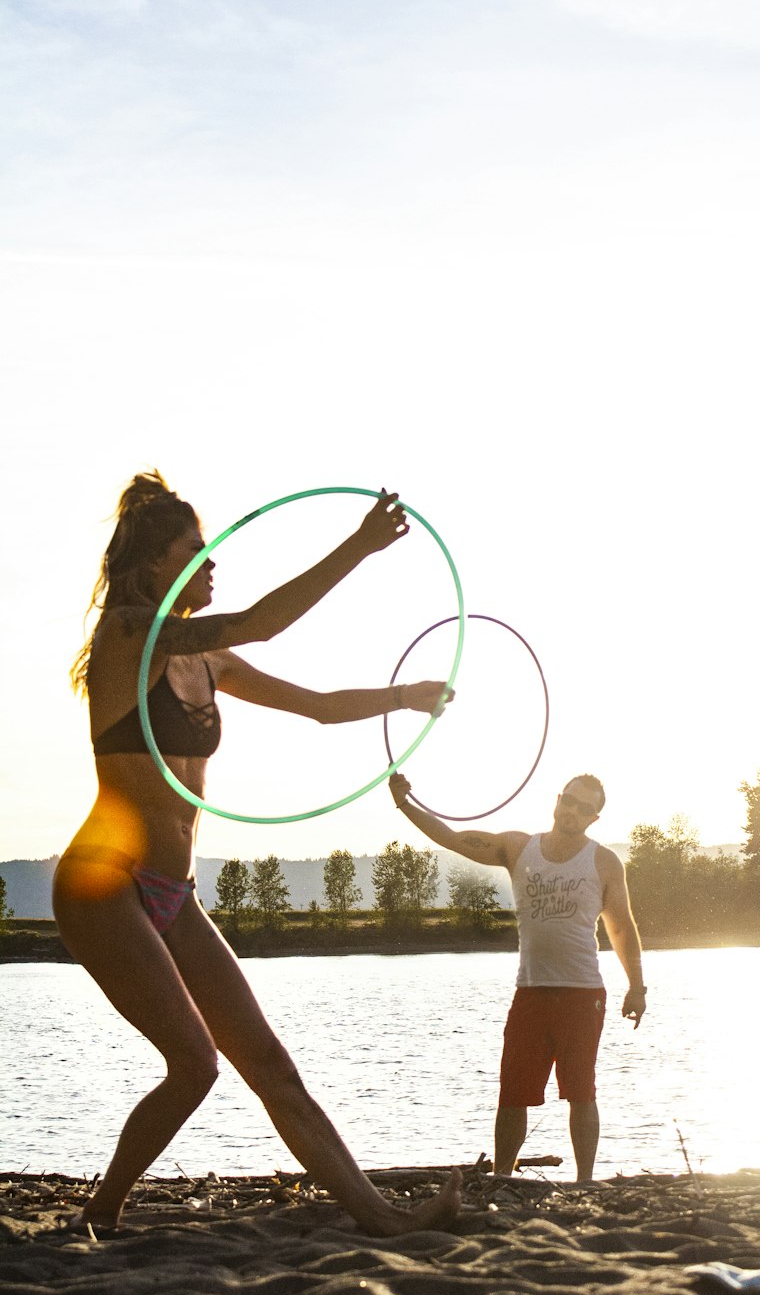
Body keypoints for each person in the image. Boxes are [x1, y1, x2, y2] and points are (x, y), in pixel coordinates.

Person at [53, 472, 463, 1236]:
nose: (210, 562)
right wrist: (360, 546)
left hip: (175, 894)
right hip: (103, 885)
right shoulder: (129, 636)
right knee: (196, 1066)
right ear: (151, 567)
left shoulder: (207, 665)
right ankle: (102, 1208)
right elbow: (262, 622)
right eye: (194, 550)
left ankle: (383, 1217)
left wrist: (403, 697)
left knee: (269, 1064)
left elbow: (316, 708)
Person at [389, 770, 646, 1180]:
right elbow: (454, 839)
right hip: (531, 992)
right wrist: (405, 804)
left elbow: (620, 927)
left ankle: (585, 1183)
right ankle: (502, 1178)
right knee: (512, 1094)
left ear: (593, 818)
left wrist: (636, 986)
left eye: (585, 808)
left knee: (581, 1091)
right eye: (571, 801)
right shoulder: (517, 847)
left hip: (582, 994)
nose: (574, 812)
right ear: (558, 799)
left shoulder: (604, 861)